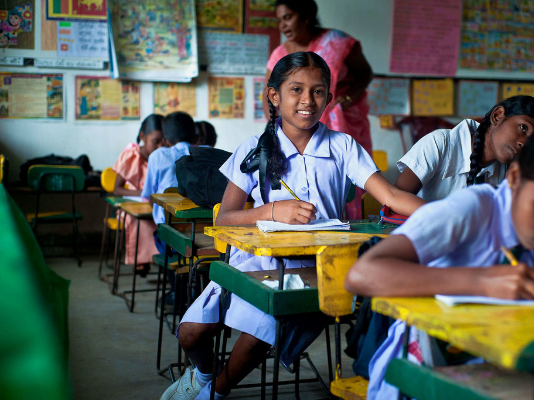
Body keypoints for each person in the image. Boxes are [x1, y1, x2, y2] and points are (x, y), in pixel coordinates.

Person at [160, 51, 424, 400]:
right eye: (296, 89)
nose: (307, 100)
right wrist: (271, 211)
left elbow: (390, 195)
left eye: (318, 91)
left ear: (329, 99)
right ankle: (204, 375)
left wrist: (448, 213)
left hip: (316, 266)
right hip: (257, 261)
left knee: (258, 335)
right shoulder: (254, 149)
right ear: (274, 96)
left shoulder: (343, 146)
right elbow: (225, 219)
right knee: (191, 332)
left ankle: (215, 393)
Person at [344, 114, 534, 400]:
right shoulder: (473, 209)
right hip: (422, 373)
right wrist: (481, 282)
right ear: (515, 178)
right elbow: (362, 274)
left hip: (501, 365)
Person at [266, 0, 374, 219]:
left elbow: (364, 73)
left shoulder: (337, 41)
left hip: (343, 122)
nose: (282, 25)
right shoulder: (279, 54)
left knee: (349, 183)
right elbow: (268, 92)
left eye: (288, 17)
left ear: (305, 15)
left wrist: (348, 98)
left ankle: (351, 228)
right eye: (279, 20)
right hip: (298, 133)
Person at [394, 95, 534, 201]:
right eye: (523, 128)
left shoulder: (507, 173)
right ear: (497, 116)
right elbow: (394, 201)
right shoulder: (440, 143)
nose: (524, 143)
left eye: (533, 141)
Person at [112, 114, 164, 274]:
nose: (159, 147)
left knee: (163, 219)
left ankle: (157, 259)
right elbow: (117, 189)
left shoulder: (163, 157)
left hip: (155, 206)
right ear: (142, 136)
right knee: (138, 220)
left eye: (163, 142)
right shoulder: (131, 156)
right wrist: (143, 193)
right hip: (132, 208)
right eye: (155, 141)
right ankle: (141, 260)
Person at [141, 111, 196, 249]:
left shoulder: (157, 156)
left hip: (168, 232)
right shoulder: (205, 154)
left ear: (165, 139)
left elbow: (150, 196)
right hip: (199, 232)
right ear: (195, 137)